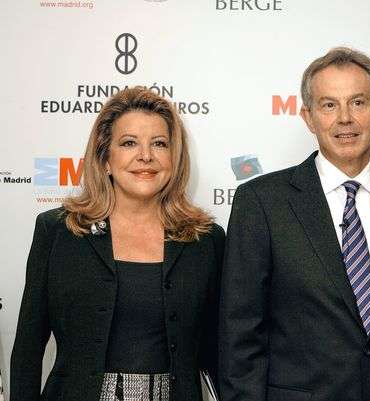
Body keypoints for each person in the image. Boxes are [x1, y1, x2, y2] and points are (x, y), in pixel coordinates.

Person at [219, 47, 370, 401]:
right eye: (329, 105)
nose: (345, 118)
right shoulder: (262, 202)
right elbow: (240, 338)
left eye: (358, 102)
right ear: (308, 117)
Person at [10, 87, 224, 401]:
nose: (146, 156)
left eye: (159, 143)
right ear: (105, 158)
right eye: (129, 143)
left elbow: (219, 352)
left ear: (174, 159)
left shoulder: (205, 240)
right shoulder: (58, 231)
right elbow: (28, 348)